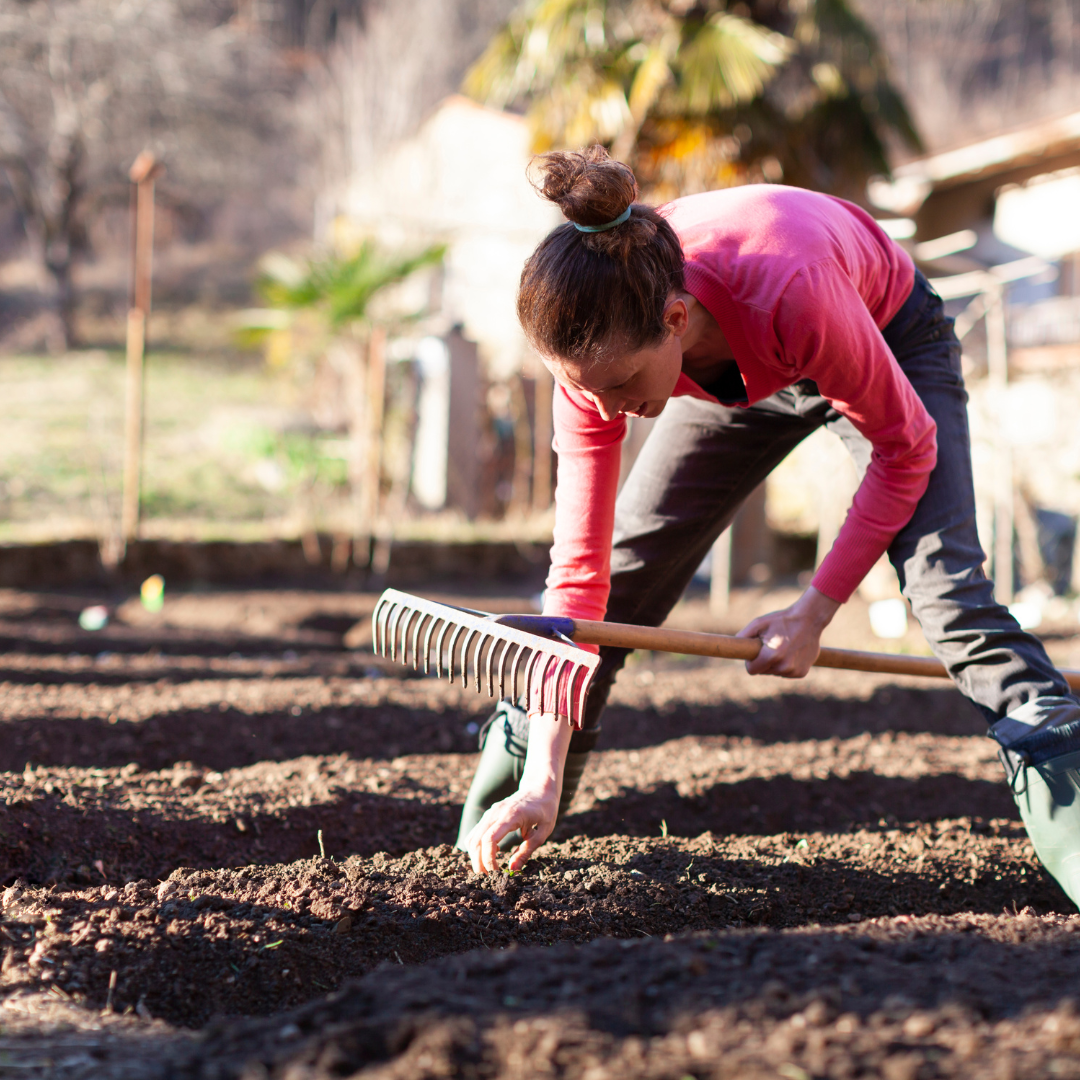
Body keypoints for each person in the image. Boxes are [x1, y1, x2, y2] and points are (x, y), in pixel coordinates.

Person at [457, 146, 1080, 906]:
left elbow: (905, 448)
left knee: (950, 599)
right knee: (621, 586)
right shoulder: (595, 368)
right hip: (745, 362)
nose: (610, 409)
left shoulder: (790, 290)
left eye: (622, 386)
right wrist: (545, 779)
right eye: (589, 391)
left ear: (676, 321)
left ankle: (1063, 791)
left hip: (884, 333)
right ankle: (516, 779)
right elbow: (577, 582)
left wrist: (815, 609)